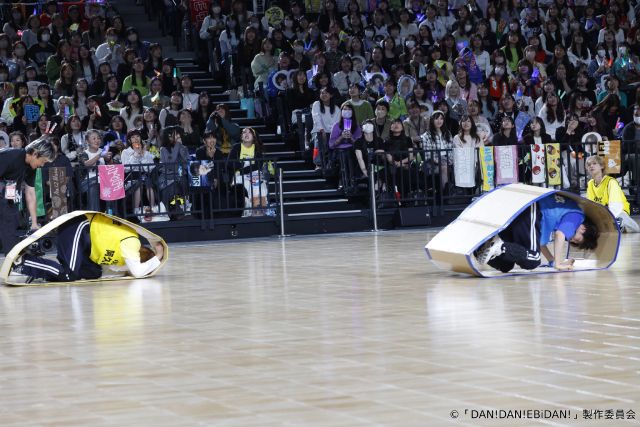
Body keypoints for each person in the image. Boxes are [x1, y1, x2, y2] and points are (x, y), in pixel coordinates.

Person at [13, 212, 165, 283]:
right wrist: (158, 256)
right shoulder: (132, 243)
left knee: (93, 272)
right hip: (81, 228)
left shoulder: (124, 258)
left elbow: (114, 272)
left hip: (85, 242)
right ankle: (24, 262)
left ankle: (42, 270)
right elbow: (138, 272)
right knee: (69, 275)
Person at [476, 193, 600, 272]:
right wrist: (558, 264)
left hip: (521, 211)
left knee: (506, 265)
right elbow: (560, 235)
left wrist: (552, 261)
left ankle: (481, 248)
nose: (571, 239)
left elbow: (540, 243)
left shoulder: (556, 219)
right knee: (533, 260)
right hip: (531, 209)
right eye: (577, 239)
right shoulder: (577, 216)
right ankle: (500, 247)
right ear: (583, 229)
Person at [0, 136, 55, 254]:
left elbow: (30, 193)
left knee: (11, 222)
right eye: (43, 161)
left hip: (7, 199)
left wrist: (34, 224)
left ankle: (13, 260)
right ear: (35, 154)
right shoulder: (10, 156)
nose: (42, 165)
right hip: (3, 196)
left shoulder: (32, 168)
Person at [586, 155, 640, 233]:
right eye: (589, 165)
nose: (591, 166)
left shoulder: (611, 182)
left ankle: (621, 225)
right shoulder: (590, 184)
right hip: (602, 213)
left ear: (601, 166)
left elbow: (616, 207)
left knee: (631, 226)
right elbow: (590, 205)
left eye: (594, 163)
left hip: (618, 212)